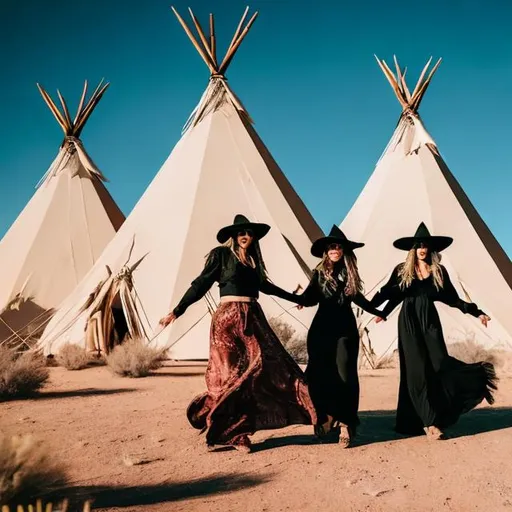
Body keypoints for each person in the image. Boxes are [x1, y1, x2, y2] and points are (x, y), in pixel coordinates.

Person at [159, 214, 317, 453]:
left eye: (250, 233)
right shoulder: (221, 255)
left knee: (266, 367)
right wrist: (177, 311)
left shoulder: (254, 262)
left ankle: (222, 414)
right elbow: (200, 284)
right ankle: (235, 434)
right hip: (227, 321)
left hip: (253, 317)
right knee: (230, 375)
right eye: (242, 233)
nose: (246, 237)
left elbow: (266, 286)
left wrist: (297, 298)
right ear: (234, 236)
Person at [371, 222, 497, 440]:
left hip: (429, 320)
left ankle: (446, 402)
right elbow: (390, 293)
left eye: (425, 245)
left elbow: (452, 299)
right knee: (416, 371)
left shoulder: (439, 272)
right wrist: (375, 309)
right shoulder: (402, 270)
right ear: (413, 249)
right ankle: (430, 424)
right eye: (418, 245)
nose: (422, 248)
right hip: (409, 321)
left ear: (431, 249)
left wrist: (477, 312)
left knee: (439, 365)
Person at [296, 225, 386, 448]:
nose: (335, 249)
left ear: (344, 250)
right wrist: (296, 298)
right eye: (331, 246)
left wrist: (380, 311)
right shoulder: (318, 273)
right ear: (326, 251)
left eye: (338, 246)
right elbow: (310, 297)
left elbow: (360, 300)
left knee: (345, 375)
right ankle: (326, 419)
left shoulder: (350, 274)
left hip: (345, 328)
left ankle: (347, 423)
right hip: (321, 329)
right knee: (319, 374)